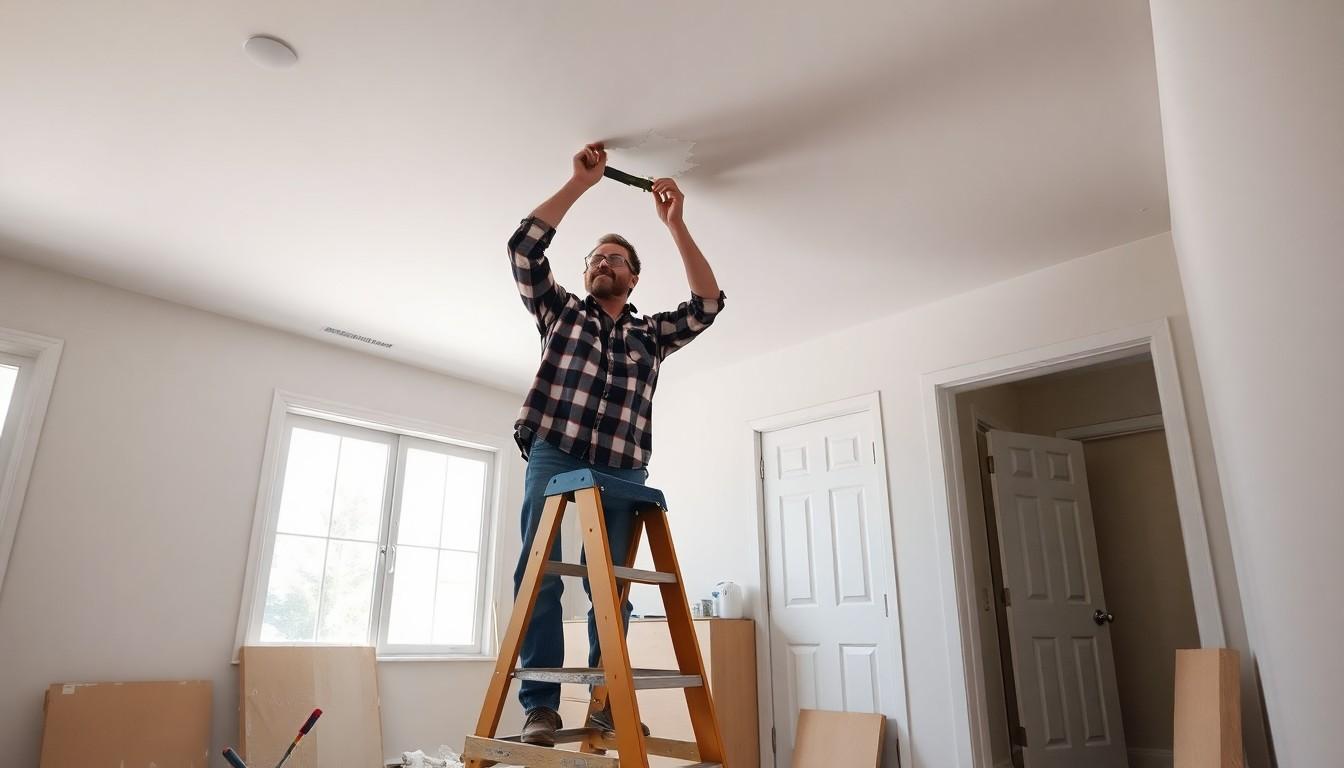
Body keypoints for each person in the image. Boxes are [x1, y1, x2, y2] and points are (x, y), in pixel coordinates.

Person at [507, 143, 725, 746]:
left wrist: (674, 224)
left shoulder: (650, 334)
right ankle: (541, 708)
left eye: (617, 258)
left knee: (612, 583)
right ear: (585, 273)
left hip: (624, 466)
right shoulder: (562, 313)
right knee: (540, 571)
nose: (604, 262)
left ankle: (606, 702)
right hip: (556, 448)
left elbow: (708, 306)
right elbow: (525, 247)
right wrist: (581, 184)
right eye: (596, 257)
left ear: (633, 276)